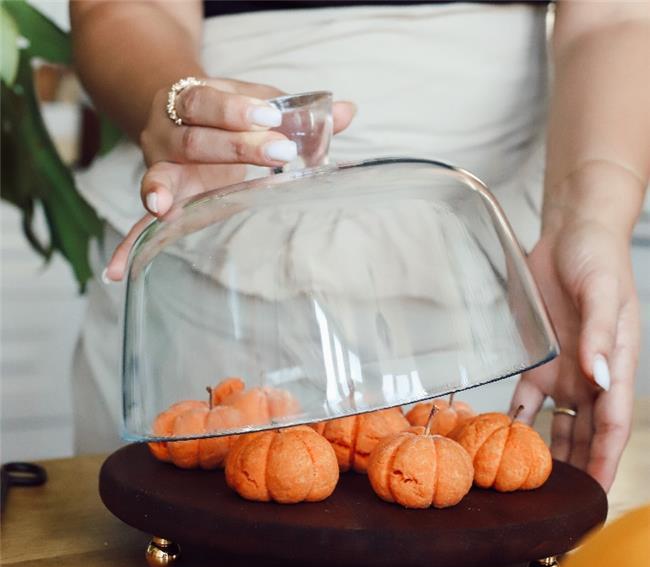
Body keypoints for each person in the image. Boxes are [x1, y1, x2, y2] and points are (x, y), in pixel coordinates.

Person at [70, 0, 649, 490]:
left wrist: (587, 217)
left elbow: (615, 17)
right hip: (217, 245)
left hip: (489, 280)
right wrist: (184, 107)